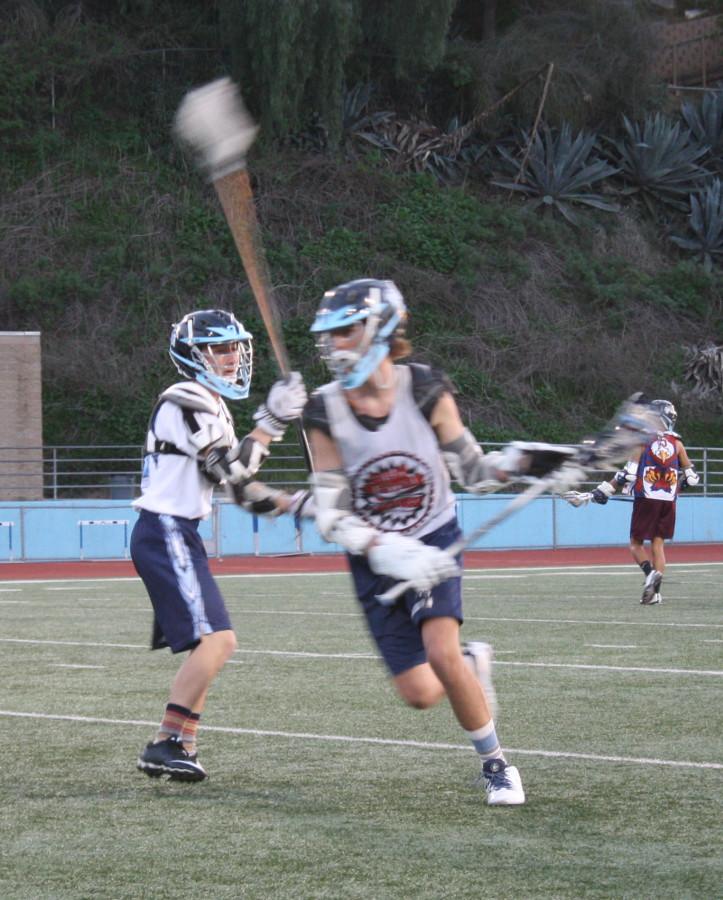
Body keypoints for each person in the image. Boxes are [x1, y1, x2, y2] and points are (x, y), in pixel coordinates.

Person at [302, 278, 530, 806]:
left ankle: (497, 765)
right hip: (374, 554)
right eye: (330, 336)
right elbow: (332, 514)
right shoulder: (322, 410)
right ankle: (474, 665)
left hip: (432, 536)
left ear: (383, 327)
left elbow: (472, 467)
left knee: (440, 650)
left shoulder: (424, 387)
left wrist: (519, 462)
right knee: (421, 694)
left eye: (346, 331)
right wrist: (381, 547)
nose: (336, 346)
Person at [131, 308, 308, 781]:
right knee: (220, 640)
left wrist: (297, 504)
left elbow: (240, 491)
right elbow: (233, 470)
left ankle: (183, 744)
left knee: (207, 644)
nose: (231, 357)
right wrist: (271, 421)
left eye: (235, 347)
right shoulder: (185, 398)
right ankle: (164, 743)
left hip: (177, 533)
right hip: (164, 529)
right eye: (219, 348)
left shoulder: (208, 403)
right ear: (192, 355)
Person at [578, 400, 699, 605]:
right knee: (658, 545)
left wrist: (604, 490)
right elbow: (693, 478)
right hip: (668, 502)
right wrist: (682, 482)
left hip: (646, 498)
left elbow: (629, 474)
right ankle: (656, 594)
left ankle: (650, 573)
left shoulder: (643, 442)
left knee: (635, 544)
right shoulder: (677, 444)